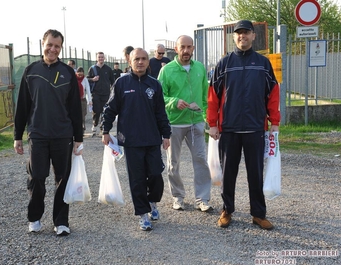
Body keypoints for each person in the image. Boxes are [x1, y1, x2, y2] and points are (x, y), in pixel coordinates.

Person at [207, 20, 280, 230]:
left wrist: (274, 121)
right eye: (239, 33)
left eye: (246, 33)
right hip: (229, 129)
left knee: (255, 174)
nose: (242, 36)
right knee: (228, 174)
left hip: (255, 128)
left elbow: (273, 95)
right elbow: (213, 96)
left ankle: (258, 214)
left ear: (253, 36)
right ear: (234, 37)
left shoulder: (263, 63)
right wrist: (213, 123)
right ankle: (227, 210)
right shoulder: (224, 64)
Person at [13, 29, 84, 236]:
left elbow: (74, 108)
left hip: (63, 135)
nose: (53, 49)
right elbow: (23, 106)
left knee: (62, 179)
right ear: (42, 44)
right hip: (38, 134)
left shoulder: (67, 72)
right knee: (37, 177)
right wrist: (18, 135)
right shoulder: (31, 70)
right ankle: (34, 218)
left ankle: (61, 222)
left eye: (57, 46)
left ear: (61, 48)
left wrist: (78, 138)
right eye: (50, 44)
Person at [101, 48, 171, 231]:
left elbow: (160, 112)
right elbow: (110, 109)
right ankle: (143, 214)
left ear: (148, 62)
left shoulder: (154, 84)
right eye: (136, 59)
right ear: (130, 61)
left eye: (143, 59)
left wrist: (166, 134)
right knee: (137, 179)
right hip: (131, 141)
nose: (140, 62)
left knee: (156, 175)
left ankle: (152, 201)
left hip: (152, 139)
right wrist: (105, 130)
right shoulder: (121, 83)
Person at [158, 35, 212, 212]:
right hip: (174, 123)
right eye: (183, 47)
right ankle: (178, 197)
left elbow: (205, 95)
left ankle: (202, 199)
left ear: (193, 48)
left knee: (201, 161)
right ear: (176, 48)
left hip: (195, 122)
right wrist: (174, 101)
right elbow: (159, 97)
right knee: (173, 163)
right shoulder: (167, 70)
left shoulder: (200, 68)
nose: (186, 51)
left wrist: (206, 118)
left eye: (189, 47)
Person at [86, 52, 115, 135]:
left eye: (102, 57)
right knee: (96, 110)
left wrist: (112, 92)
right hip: (96, 93)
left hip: (106, 93)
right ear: (96, 58)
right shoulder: (92, 68)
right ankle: (94, 124)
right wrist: (93, 79)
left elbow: (112, 82)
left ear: (104, 58)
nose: (101, 59)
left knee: (104, 111)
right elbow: (87, 79)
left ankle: (103, 128)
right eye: (99, 57)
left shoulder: (108, 69)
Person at [76, 67, 92, 134]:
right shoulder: (73, 79)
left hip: (82, 100)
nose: (80, 76)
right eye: (79, 74)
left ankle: (82, 128)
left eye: (81, 74)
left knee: (82, 115)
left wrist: (90, 100)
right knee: (76, 115)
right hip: (75, 100)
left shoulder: (85, 79)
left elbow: (88, 90)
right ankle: (77, 129)